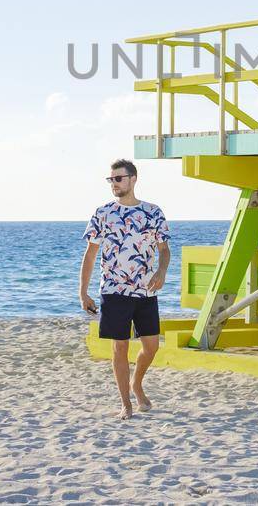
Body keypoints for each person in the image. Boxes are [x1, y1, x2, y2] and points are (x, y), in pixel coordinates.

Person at [79, 158, 171, 419]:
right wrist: (83, 291)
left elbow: (164, 250)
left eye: (118, 178)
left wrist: (161, 271)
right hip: (113, 290)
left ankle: (136, 384)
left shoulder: (153, 212)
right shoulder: (103, 213)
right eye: (111, 179)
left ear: (133, 179)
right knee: (119, 347)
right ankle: (126, 403)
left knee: (151, 347)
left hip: (146, 291)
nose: (114, 184)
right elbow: (90, 255)